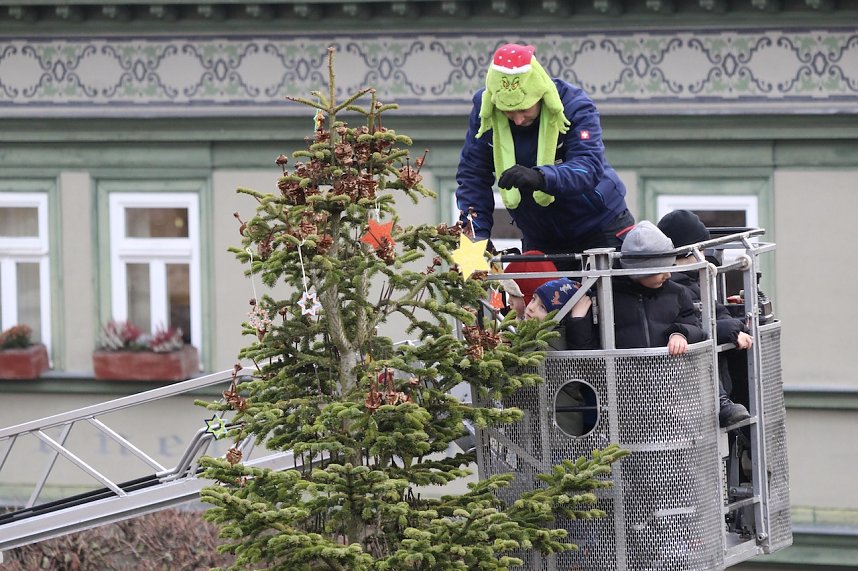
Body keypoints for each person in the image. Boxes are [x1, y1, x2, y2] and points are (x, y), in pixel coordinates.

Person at [455, 43, 634, 269]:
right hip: (539, 234)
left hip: (600, 226)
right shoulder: (485, 110)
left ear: (541, 94)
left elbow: (589, 167)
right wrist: (475, 237)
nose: (518, 119)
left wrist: (541, 177)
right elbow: (473, 176)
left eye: (524, 109)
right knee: (540, 305)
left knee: (611, 302)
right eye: (509, 111)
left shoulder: (574, 105)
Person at [657, 209, 752, 427]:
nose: (703, 257)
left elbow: (718, 314)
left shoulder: (693, 281)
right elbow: (696, 327)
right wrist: (734, 330)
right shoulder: (677, 287)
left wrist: (736, 324)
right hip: (689, 392)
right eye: (699, 250)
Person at [567, 221, 707, 354]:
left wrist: (681, 334)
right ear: (638, 273)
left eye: (669, 267)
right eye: (660, 270)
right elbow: (585, 349)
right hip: (622, 376)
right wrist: (578, 321)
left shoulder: (677, 293)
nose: (668, 275)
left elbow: (694, 325)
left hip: (668, 374)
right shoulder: (605, 297)